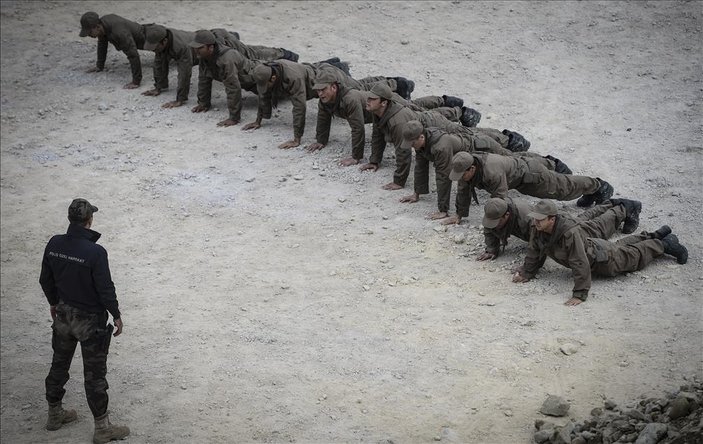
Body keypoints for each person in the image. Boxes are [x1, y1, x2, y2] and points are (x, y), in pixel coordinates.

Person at [40, 199, 129, 443]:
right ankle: (102, 429)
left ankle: (54, 415)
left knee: (59, 365)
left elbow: (45, 278)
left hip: (64, 316)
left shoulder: (54, 243)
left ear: (71, 219)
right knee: (95, 376)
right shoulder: (95, 252)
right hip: (90, 322)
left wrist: (54, 302)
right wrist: (117, 314)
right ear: (89, 220)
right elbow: (105, 288)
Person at [511, 199, 688, 306]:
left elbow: (579, 261)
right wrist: (527, 272)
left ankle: (664, 244)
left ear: (552, 219)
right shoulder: (538, 227)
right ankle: (655, 235)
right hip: (594, 247)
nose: (535, 222)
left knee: (633, 257)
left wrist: (580, 293)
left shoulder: (569, 233)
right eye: (534, 218)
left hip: (602, 260)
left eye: (540, 219)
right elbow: (535, 250)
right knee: (621, 246)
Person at [397, 121, 564, 222]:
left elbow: (443, 176)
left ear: (421, 137)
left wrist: (443, 210)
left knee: (516, 160)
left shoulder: (441, 146)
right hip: (470, 155)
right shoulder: (422, 143)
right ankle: (543, 160)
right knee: (516, 159)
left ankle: (550, 162)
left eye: (412, 143)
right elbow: (420, 166)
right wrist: (417, 193)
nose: (411, 147)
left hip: (483, 149)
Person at [306, 71, 468, 166]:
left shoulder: (350, 99)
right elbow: (323, 118)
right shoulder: (326, 100)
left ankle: (454, 109)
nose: (320, 93)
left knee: (420, 111)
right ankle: (449, 107)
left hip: (392, 104)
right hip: (380, 110)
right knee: (418, 110)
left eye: (323, 90)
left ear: (334, 87)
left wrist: (356, 157)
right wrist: (321, 140)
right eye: (318, 90)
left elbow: (358, 128)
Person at [243, 61, 415, 149]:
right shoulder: (268, 70)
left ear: (273, 78)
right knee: (360, 87)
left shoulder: (293, 78)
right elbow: (263, 95)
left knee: (361, 89)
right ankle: (340, 65)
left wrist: (297, 139)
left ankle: (397, 84)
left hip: (330, 76)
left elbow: (299, 107)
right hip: (321, 76)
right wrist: (259, 120)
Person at [141, 25, 299, 108]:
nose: (154, 50)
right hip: (211, 41)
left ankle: (284, 54)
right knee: (249, 53)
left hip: (221, 40)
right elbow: (159, 63)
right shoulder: (162, 41)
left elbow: (185, 73)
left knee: (251, 54)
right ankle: (233, 36)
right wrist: (158, 87)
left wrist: (180, 99)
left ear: (164, 41)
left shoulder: (181, 47)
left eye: (155, 46)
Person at [360, 83, 480, 190]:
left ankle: (471, 118)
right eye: (368, 97)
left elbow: (403, 152)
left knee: (469, 137)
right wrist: (374, 161)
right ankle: (459, 111)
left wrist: (399, 181)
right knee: (430, 112)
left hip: (435, 124)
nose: (367, 100)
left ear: (384, 103)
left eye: (372, 98)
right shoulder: (377, 112)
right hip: (423, 119)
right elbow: (377, 135)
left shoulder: (398, 122)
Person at [446, 151, 614, 223]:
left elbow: (500, 199)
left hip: (530, 175)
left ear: (472, 169)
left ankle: (598, 186)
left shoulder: (492, 171)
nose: (460, 179)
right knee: (563, 186)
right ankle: (552, 164)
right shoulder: (466, 165)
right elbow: (463, 189)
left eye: (462, 175)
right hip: (518, 176)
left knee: (563, 189)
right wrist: (459, 215)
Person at [477, 196, 642, 261]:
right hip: (555, 222)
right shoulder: (497, 210)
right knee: (583, 219)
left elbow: (539, 244)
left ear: (506, 216)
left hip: (559, 226)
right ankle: (611, 203)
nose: (492, 225)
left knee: (595, 229)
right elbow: (489, 227)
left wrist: (527, 269)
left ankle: (625, 208)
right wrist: (492, 249)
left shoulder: (528, 219)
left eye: (496, 222)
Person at [189, 29, 261, 127]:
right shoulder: (204, 56)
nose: (196, 51)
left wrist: (234, 118)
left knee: (278, 90)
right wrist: (203, 103)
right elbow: (203, 79)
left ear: (210, 47)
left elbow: (233, 87)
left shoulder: (227, 58)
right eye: (195, 47)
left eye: (200, 48)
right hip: (246, 81)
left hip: (257, 81)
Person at [79, 11, 147, 89]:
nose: (88, 35)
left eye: (89, 32)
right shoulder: (103, 26)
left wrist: (136, 81)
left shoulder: (119, 32)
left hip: (151, 38)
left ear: (97, 26)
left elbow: (133, 55)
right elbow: (102, 44)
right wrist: (99, 66)